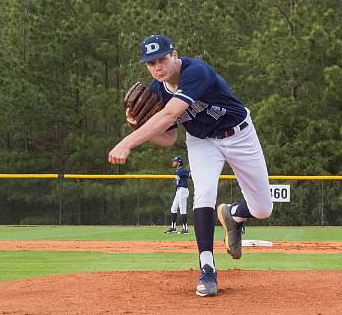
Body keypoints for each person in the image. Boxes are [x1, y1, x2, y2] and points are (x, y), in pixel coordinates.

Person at [109, 35, 273, 297]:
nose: (157, 67)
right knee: (204, 194)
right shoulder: (158, 89)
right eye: (150, 63)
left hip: (239, 134)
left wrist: (127, 142)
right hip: (202, 142)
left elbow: (170, 114)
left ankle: (235, 215)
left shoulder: (196, 71)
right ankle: (207, 268)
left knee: (263, 209)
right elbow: (169, 137)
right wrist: (137, 126)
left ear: (174, 55)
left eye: (161, 59)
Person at [164, 155, 191, 234]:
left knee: (183, 210)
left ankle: (185, 229)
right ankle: (173, 228)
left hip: (183, 190)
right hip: (178, 191)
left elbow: (191, 175)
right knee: (173, 208)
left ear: (179, 163)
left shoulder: (182, 170)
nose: (173, 162)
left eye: (175, 161)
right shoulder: (178, 170)